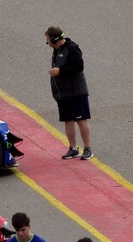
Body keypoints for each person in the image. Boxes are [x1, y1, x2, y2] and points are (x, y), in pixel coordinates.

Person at [45, 26, 92, 160]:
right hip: (63, 94)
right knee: (68, 121)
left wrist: (60, 71)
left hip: (76, 92)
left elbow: (78, 66)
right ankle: (73, 148)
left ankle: (88, 148)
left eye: (48, 40)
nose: (47, 43)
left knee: (81, 120)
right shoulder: (56, 50)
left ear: (54, 39)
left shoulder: (72, 48)